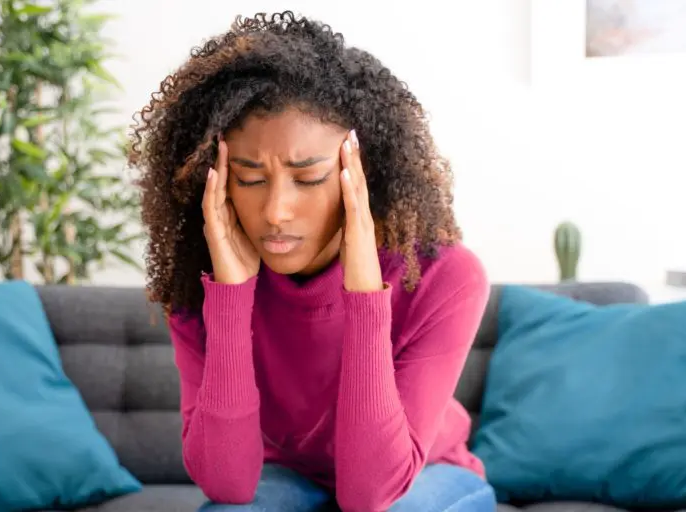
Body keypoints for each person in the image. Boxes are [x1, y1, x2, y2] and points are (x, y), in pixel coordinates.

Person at [128, 10, 496, 512]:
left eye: (308, 179)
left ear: (363, 175)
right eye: (251, 179)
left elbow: (371, 493)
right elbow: (229, 486)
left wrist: (364, 292)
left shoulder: (445, 276)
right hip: (294, 480)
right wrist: (231, 301)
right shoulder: (197, 283)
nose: (276, 211)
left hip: (427, 478)